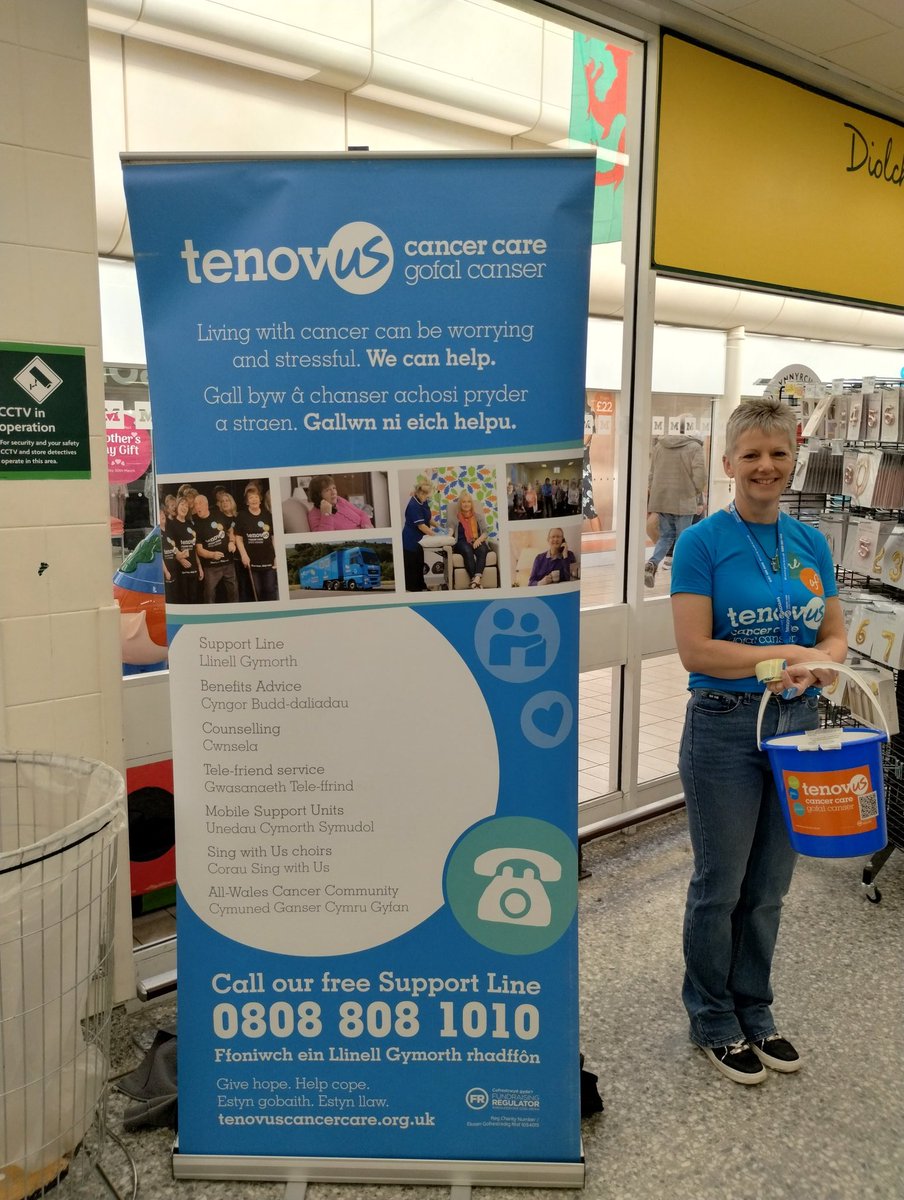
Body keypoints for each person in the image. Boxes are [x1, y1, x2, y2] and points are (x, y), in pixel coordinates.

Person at [670, 397, 846, 1085]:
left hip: (796, 725)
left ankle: (755, 1007)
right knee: (720, 885)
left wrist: (820, 661)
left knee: (770, 885)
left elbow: (833, 633)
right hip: (723, 726)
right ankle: (712, 1016)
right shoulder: (702, 543)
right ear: (729, 463)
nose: (765, 466)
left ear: (794, 459)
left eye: (778, 453)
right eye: (752, 454)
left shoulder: (810, 543)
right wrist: (783, 653)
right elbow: (696, 651)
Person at [645, 423, 706, 588]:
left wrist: (657, 492)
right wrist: (695, 494)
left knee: (666, 536)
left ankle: (652, 563)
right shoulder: (695, 447)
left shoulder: (660, 446)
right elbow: (700, 476)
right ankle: (678, 573)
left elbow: (651, 474)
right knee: (683, 538)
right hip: (684, 500)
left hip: (663, 499)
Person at [234, 481, 278, 601]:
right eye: (251, 498)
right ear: (247, 501)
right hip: (251, 561)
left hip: (268, 560)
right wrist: (244, 555)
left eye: (256, 497)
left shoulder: (267, 515)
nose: (254, 499)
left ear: (260, 499)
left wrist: (276, 556)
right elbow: (238, 538)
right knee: (256, 591)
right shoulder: (242, 516)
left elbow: (273, 537)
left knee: (270, 589)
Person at [193, 492, 238, 604]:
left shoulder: (218, 514)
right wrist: (212, 555)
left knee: (234, 592)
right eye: (195, 504)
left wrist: (232, 542)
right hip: (211, 567)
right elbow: (199, 550)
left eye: (200, 503)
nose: (197, 506)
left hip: (228, 562)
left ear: (206, 505)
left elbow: (231, 530)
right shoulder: (196, 525)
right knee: (209, 594)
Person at [163, 494, 201, 604]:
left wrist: (199, 566)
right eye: (182, 504)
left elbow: (194, 548)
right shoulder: (171, 525)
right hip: (180, 569)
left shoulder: (190, 524)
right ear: (177, 506)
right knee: (183, 598)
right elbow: (170, 546)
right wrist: (180, 559)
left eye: (186, 506)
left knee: (194, 598)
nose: (184, 507)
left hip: (193, 567)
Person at [450, 491, 491, 589]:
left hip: (476, 540)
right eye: (463, 502)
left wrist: (479, 540)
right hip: (461, 543)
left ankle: (476, 580)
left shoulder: (478, 517)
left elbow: (485, 532)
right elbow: (450, 532)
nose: (466, 504)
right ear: (460, 504)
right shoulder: (455, 519)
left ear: (471, 504)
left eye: (468, 501)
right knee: (467, 549)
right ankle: (475, 580)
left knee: (482, 549)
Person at [402, 480, 437, 592]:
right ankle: (415, 590)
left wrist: (439, 527)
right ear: (420, 493)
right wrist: (435, 535)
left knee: (419, 564)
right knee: (412, 566)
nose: (427, 497)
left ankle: (422, 587)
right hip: (410, 540)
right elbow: (421, 526)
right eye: (426, 495)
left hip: (419, 540)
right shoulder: (413, 505)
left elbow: (428, 518)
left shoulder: (423, 501)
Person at [307, 475, 373, 532]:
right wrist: (326, 514)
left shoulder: (339, 500)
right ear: (317, 495)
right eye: (327, 490)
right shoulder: (314, 515)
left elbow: (362, 514)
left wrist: (366, 526)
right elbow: (324, 538)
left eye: (334, 488)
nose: (333, 492)